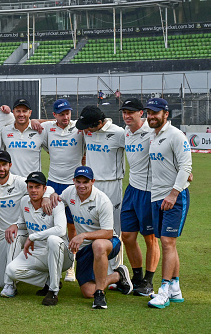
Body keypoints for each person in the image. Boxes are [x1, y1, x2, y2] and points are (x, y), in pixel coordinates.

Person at [0, 151, 54, 289]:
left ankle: (47, 278)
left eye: (4, 165)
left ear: (10, 165)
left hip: (21, 232)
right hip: (1, 236)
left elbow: (46, 187)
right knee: (2, 282)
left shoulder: (19, 182)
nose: (1, 168)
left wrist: (47, 197)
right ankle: (44, 278)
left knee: (9, 275)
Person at [60, 166, 133, 309]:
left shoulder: (103, 201)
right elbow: (57, 200)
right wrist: (48, 197)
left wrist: (83, 235)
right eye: (78, 181)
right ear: (73, 181)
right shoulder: (69, 192)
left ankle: (100, 294)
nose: (81, 185)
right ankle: (117, 275)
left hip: (109, 243)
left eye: (85, 182)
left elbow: (108, 232)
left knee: (98, 245)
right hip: (85, 248)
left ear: (92, 181)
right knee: (88, 292)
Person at [145, 98, 192, 309]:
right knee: (168, 242)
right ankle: (175, 287)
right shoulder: (154, 136)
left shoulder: (175, 135)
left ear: (166, 113)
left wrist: (174, 193)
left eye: (155, 112)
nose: (151, 116)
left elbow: (185, 166)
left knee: (167, 242)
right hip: (157, 197)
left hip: (174, 198)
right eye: (149, 112)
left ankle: (163, 289)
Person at [2, 172, 73, 306]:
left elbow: (61, 229)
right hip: (38, 252)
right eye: (31, 187)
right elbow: (24, 221)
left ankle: (53, 291)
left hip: (62, 254)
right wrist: (15, 225)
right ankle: (50, 280)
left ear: (44, 189)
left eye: (37, 187)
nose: (34, 190)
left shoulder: (55, 203)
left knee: (53, 239)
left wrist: (33, 236)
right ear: (27, 188)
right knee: (11, 271)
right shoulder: (24, 201)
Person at [42, 99, 85, 282]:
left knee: (72, 227)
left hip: (74, 185)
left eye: (67, 113)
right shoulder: (48, 129)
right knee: (52, 225)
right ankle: (52, 264)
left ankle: (71, 266)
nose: (65, 116)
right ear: (54, 115)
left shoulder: (79, 128)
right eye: (61, 114)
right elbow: (44, 144)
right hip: (53, 184)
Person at [119, 98, 159, 296]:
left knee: (150, 238)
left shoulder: (152, 132)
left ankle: (149, 281)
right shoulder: (125, 132)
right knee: (127, 236)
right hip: (132, 189)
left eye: (131, 112)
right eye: (125, 112)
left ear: (141, 113)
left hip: (150, 191)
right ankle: (137, 276)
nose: (127, 116)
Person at [76, 106, 125, 240]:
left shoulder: (119, 133)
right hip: (90, 184)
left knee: (112, 227)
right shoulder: (87, 129)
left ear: (99, 123)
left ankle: (114, 261)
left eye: (87, 126)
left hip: (112, 184)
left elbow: (138, 152)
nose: (84, 129)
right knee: (91, 223)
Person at [1, 98, 45, 177]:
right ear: (13, 112)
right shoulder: (5, 131)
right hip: (12, 182)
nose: (21, 114)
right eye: (18, 111)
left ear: (30, 113)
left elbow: (55, 122)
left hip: (33, 181)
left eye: (24, 111)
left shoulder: (39, 131)